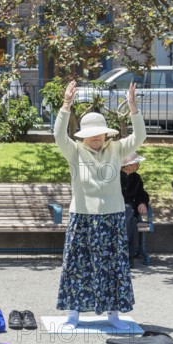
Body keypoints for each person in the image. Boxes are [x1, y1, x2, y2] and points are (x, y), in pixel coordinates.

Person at [54, 81, 147, 330]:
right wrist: (66, 105)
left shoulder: (116, 149)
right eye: (91, 134)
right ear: (83, 136)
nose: (96, 137)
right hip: (82, 217)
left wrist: (133, 108)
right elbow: (58, 134)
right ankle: (73, 314)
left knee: (114, 267)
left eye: (100, 132)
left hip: (112, 217)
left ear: (106, 133)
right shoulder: (74, 151)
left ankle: (113, 314)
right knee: (77, 265)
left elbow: (140, 136)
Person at [120, 153, 150, 263]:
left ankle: (126, 254)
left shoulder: (136, 178)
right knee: (129, 216)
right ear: (128, 165)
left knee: (130, 215)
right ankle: (128, 254)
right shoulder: (115, 177)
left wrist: (142, 203)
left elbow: (141, 193)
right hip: (116, 209)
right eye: (136, 163)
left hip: (130, 210)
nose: (139, 165)